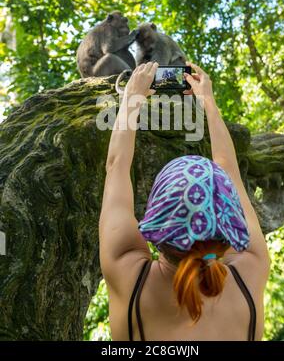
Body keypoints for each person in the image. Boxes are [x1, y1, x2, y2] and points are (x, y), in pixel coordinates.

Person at [99, 61, 271, 341]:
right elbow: (230, 169)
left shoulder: (128, 276)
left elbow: (116, 166)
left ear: (157, 219)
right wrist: (208, 103)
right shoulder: (250, 273)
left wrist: (131, 99)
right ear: (229, 225)